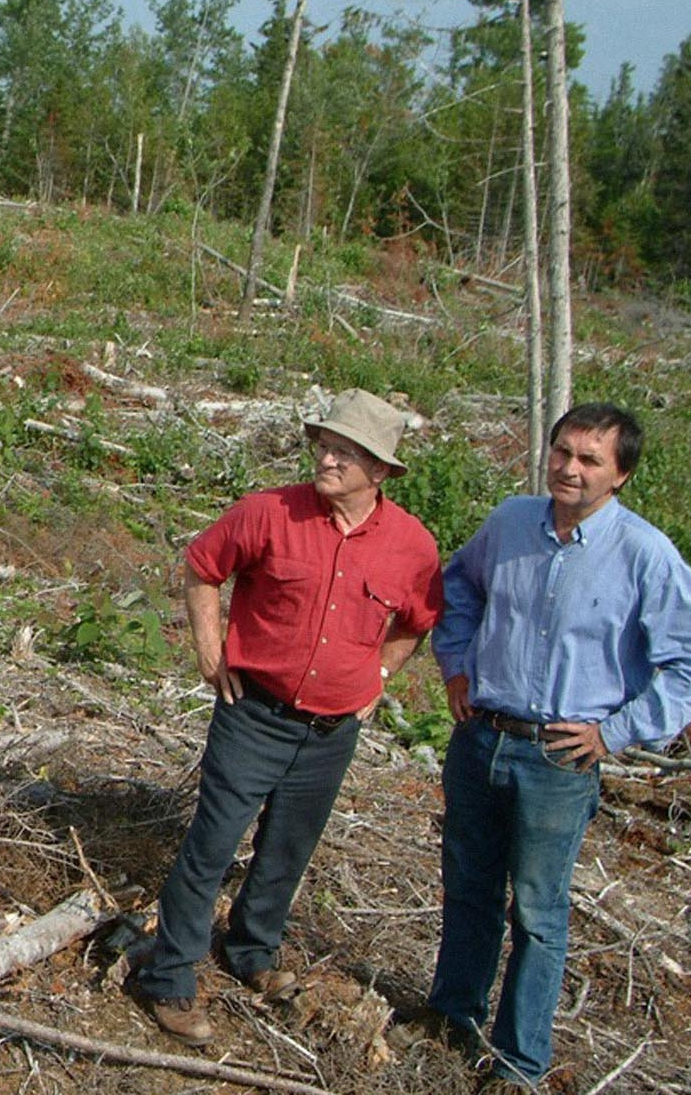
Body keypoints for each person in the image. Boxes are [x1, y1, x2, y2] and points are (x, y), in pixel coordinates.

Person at [126, 389, 442, 1046]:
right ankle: (169, 977)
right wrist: (210, 649)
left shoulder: (411, 545)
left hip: (332, 730)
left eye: (345, 453)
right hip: (254, 713)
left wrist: (378, 677)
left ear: (380, 471)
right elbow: (202, 567)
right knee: (212, 844)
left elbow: (417, 622)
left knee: (287, 849)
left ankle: (253, 953)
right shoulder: (268, 512)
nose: (326, 459)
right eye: (324, 445)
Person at [427, 403, 691, 1088]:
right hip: (483, 739)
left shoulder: (644, 554)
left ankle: (519, 1061)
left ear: (621, 475)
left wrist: (616, 731)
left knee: (536, 910)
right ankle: (451, 1015)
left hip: (561, 757)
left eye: (590, 460)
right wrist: (459, 666)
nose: (569, 468)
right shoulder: (510, 522)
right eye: (563, 451)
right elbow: (458, 588)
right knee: (469, 888)